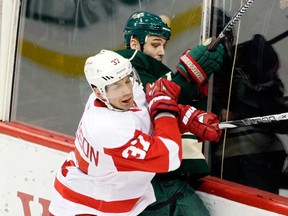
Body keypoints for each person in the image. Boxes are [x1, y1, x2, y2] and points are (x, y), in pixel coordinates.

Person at [49, 49, 222, 215]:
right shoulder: (106, 128)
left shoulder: (113, 99)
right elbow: (168, 156)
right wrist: (166, 111)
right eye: (116, 86)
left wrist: (184, 116)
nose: (126, 91)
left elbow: (148, 109)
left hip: (108, 202)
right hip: (82, 209)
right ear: (98, 91)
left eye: (127, 80)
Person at [115, 11, 224, 215]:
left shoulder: (156, 73)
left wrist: (193, 88)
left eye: (164, 45)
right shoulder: (117, 76)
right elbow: (149, 105)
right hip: (137, 183)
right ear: (134, 43)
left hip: (172, 181)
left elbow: (166, 101)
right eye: (155, 44)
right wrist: (187, 77)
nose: (162, 52)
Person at [210, 7, 288, 194]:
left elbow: (277, 115)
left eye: (228, 38)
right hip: (225, 159)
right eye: (220, 40)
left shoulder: (250, 62)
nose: (226, 45)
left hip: (259, 154)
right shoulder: (198, 73)